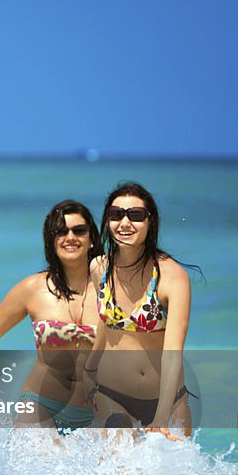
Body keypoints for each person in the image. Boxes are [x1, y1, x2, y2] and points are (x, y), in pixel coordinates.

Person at [0, 200, 103, 432]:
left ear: (92, 238)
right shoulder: (32, 288)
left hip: (96, 411)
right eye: (61, 231)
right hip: (40, 404)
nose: (70, 237)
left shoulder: (111, 291)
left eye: (79, 230)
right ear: (51, 239)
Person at [85, 182, 195, 439]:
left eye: (135, 215)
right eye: (116, 215)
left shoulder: (171, 276)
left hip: (168, 401)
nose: (124, 223)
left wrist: (160, 416)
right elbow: (107, 325)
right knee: (117, 473)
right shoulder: (99, 268)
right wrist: (88, 371)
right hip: (113, 396)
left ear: (150, 221)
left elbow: (172, 352)